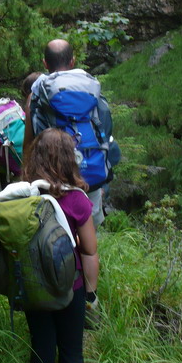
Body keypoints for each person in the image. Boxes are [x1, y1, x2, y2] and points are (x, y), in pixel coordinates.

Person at [23, 127, 99, 363]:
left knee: (42, 352)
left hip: (33, 288)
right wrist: (90, 293)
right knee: (70, 353)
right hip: (71, 287)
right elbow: (90, 251)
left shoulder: (23, 195)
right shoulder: (77, 200)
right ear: (70, 159)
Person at [23, 39, 115, 228]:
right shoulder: (91, 88)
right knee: (90, 235)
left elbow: (29, 145)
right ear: (72, 61)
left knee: (59, 231)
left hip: (54, 177)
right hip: (92, 171)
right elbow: (106, 129)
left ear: (45, 63)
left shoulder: (36, 96)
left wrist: (26, 180)